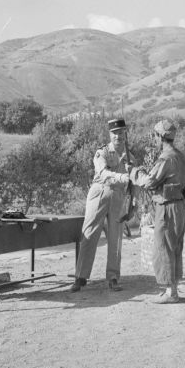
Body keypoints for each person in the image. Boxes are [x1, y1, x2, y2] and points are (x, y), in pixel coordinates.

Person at [128, 119, 185, 304]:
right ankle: (173, 289)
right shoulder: (180, 156)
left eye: (154, 135)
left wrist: (134, 172)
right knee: (175, 247)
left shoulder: (166, 158)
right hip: (179, 206)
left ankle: (171, 293)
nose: (153, 139)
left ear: (160, 137)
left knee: (164, 248)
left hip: (167, 207)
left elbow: (149, 182)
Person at [70, 119, 133, 293]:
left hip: (118, 197)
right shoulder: (102, 152)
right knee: (89, 234)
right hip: (99, 193)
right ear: (109, 135)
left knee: (116, 238)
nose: (118, 136)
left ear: (125, 133)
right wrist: (122, 177)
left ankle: (113, 278)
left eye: (121, 133)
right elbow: (103, 173)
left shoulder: (130, 156)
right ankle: (80, 277)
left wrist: (132, 204)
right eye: (115, 133)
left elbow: (133, 183)